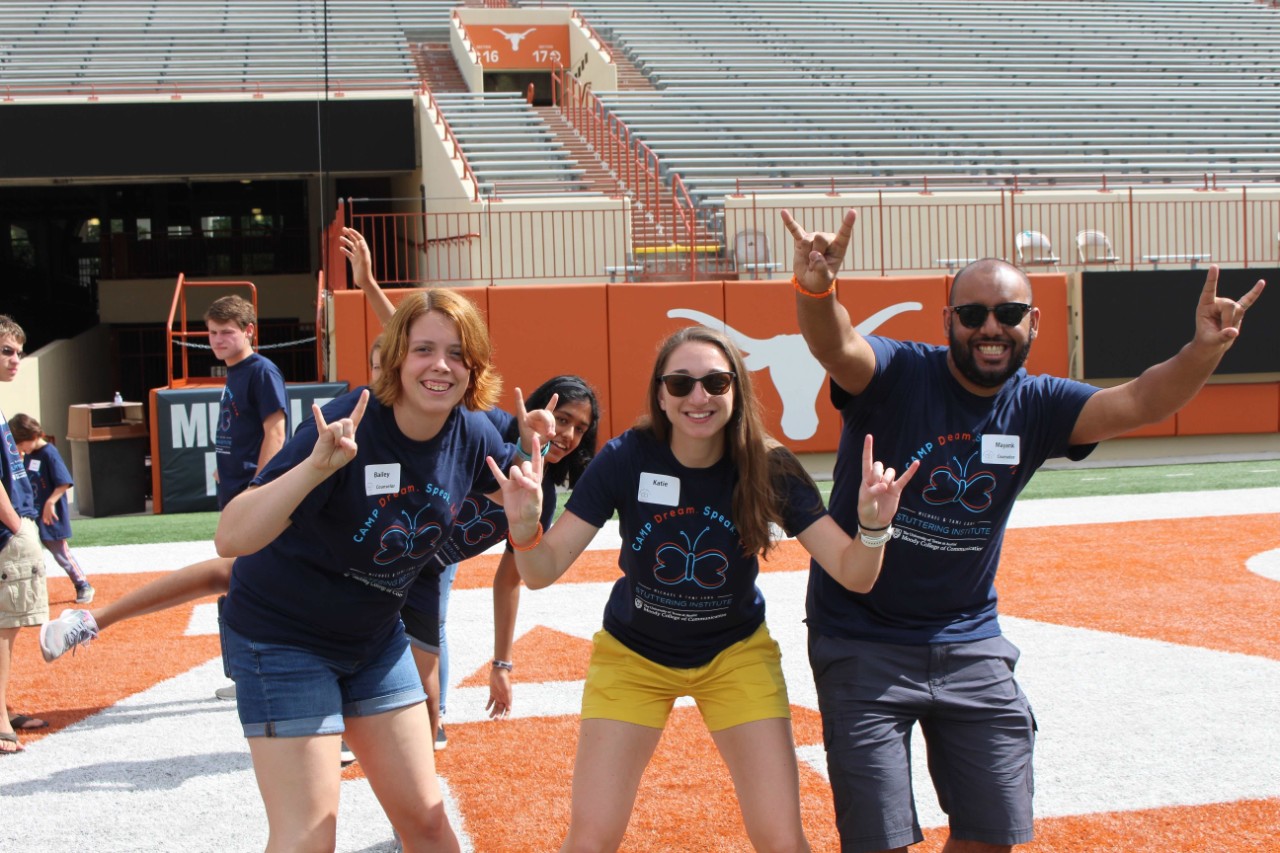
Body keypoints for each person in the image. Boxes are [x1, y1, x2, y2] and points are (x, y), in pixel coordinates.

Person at [782, 208, 1266, 853]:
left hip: (970, 640)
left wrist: (1203, 350)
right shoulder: (896, 372)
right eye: (974, 313)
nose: (991, 327)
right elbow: (834, 344)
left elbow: (1142, 400)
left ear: (1033, 322)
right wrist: (818, 291)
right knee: (879, 841)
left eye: (1008, 314)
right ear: (947, 320)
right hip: (861, 642)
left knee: (994, 833)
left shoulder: (1037, 404)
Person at [488, 324, 917, 852]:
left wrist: (873, 527)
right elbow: (540, 572)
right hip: (633, 657)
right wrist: (526, 525)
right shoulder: (626, 458)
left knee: (783, 840)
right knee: (590, 840)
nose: (698, 397)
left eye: (715, 383)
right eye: (681, 384)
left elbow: (855, 573)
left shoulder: (769, 464)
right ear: (661, 397)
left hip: (734, 656)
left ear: (736, 392)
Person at [213, 288, 524, 851]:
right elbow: (231, 536)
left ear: (473, 366)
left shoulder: (472, 433)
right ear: (398, 355)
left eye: (457, 353)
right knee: (309, 838)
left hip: (375, 642)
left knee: (427, 826)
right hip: (283, 639)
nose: (440, 366)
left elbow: (521, 501)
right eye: (424, 349)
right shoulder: (348, 420)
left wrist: (531, 485)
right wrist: (314, 468)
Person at [40, 296, 288, 708]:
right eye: (212, 332)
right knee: (242, 584)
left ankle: (253, 672)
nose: (218, 340)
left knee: (243, 582)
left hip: (252, 498)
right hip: (239, 494)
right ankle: (247, 672)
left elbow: (275, 432)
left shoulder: (260, 371)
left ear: (249, 331)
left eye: (227, 331)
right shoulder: (237, 373)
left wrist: (257, 488)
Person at [404, 374, 600, 749]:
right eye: (564, 419)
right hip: (398, 543)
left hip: (434, 566)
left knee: (432, 625)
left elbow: (509, 581)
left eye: (581, 428)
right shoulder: (490, 426)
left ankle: (434, 714)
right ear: (542, 406)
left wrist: (501, 665)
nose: (569, 434)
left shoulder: (539, 498)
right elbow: (432, 381)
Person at [0, 316, 47, 754]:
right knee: (4, 627)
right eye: (6, 351)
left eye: (18, 350)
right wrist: (17, 526)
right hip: (3, 533)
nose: (16, 359)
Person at [10, 413, 94, 605]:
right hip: (33, 514)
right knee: (32, 555)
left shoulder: (49, 453)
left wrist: (50, 502)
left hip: (50, 516)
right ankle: (34, 592)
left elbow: (64, 481)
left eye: (20, 444)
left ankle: (83, 584)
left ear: (30, 438)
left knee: (61, 553)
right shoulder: (29, 455)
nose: (19, 449)